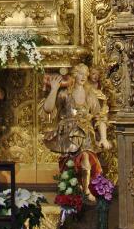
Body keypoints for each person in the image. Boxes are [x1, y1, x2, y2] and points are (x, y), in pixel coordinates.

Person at [42, 63, 110, 202]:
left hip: (86, 134)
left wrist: (103, 138)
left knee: (86, 158)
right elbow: (48, 108)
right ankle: (75, 191)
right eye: (80, 73)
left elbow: (100, 116)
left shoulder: (91, 95)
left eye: (85, 74)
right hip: (68, 135)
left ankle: (85, 190)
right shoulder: (65, 94)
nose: (83, 77)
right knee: (70, 165)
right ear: (74, 75)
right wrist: (54, 88)